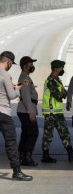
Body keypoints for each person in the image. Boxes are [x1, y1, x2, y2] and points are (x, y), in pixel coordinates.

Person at [0, 51, 32, 181]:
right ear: (8, 62)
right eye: (11, 64)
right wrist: (17, 90)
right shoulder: (5, 74)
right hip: (3, 113)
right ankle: (17, 172)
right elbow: (12, 96)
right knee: (11, 143)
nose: (10, 66)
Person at [41, 60, 73, 163]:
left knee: (63, 132)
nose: (62, 70)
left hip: (56, 112)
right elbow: (59, 95)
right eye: (61, 68)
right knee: (49, 134)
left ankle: (70, 153)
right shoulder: (51, 81)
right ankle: (46, 155)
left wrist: (64, 93)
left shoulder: (57, 80)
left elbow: (64, 93)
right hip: (51, 112)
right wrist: (63, 93)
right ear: (55, 69)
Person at [17, 56, 39, 166]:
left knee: (26, 134)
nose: (32, 66)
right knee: (33, 133)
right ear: (25, 66)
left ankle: (22, 156)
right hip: (26, 111)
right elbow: (26, 97)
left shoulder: (25, 77)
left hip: (24, 110)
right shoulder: (25, 78)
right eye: (30, 64)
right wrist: (31, 112)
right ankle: (27, 157)